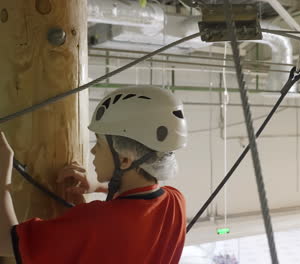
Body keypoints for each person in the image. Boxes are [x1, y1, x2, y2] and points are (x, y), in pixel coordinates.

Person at [0, 86, 188, 263]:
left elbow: (5, 242)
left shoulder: (95, 222)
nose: (92, 151)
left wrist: (3, 175)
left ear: (124, 160)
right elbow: (138, 206)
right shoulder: (175, 203)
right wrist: (97, 186)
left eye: (99, 144)